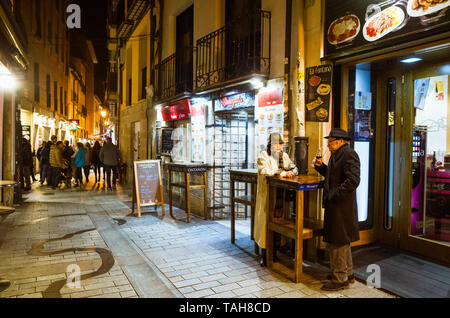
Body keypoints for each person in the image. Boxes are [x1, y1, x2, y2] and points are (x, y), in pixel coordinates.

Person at [313, 128, 361, 291]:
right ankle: (348, 273)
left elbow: (353, 180)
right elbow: (333, 176)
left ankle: (340, 279)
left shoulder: (349, 154)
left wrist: (334, 194)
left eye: (330, 142)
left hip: (342, 206)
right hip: (337, 204)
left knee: (338, 241)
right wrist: (321, 168)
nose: (328, 145)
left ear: (340, 141)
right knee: (341, 240)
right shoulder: (337, 155)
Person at [254, 132, 298, 267]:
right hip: (268, 195)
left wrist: (292, 172)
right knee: (266, 224)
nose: (277, 147)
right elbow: (265, 171)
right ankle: (265, 254)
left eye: (279, 144)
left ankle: (277, 250)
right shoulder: (263, 155)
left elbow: (294, 167)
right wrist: (282, 173)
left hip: (280, 195)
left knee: (279, 221)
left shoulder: (284, 156)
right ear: (269, 145)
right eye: (274, 144)